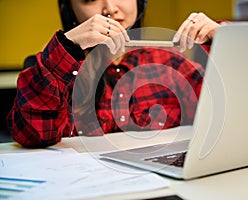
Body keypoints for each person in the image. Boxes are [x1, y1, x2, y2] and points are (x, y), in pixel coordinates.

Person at [7, 0, 221, 147]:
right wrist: (67, 46)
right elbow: (32, 135)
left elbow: (230, 114)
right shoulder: (56, 66)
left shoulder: (171, 65)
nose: (109, 8)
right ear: (70, 9)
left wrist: (225, 40)